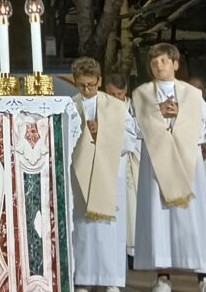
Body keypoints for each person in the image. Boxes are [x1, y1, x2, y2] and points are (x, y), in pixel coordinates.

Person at [132, 43, 206, 292]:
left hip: (188, 162)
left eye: (164, 60)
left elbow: (202, 125)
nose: (158, 65)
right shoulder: (142, 94)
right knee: (159, 218)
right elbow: (133, 127)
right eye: (154, 62)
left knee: (193, 218)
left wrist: (180, 115)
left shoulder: (192, 94)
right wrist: (157, 113)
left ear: (175, 63)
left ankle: (202, 274)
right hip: (156, 163)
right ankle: (163, 276)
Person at [70, 58, 137, 292]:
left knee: (110, 232)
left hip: (110, 174)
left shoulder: (117, 107)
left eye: (91, 85)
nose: (86, 90)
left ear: (99, 81)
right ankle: (83, 279)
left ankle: (111, 281)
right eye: (81, 85)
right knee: (83, 231)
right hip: (81, 174)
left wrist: (104, 133)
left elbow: (130, 140)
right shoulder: (69, 106)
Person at [104, 71, 142, 263]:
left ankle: (134, 254)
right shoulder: (101, 106)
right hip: (111, 165)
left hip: (133, 162)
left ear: (126, 91)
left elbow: (141, 132)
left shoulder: (135, 107)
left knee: (133, 208)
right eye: (113, 95)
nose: (118, 99)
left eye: (120, 95)